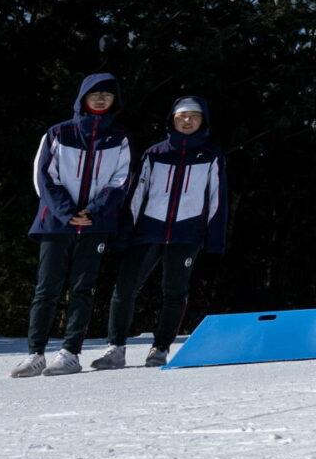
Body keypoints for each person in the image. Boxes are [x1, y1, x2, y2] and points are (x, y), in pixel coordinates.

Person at [96, 97, 227, 369]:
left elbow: (217, 198)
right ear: (172, 119)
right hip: (148, 230)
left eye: (194, 116)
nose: (187, 121)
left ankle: (160, 347)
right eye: (182, 116)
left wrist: (214, 238)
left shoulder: (212, 155)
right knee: (125, 288)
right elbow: (136, 194)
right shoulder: (155, 153)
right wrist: (125, 232)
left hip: (187, 233)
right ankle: (115, 349)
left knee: (175, 292)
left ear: (203, 120)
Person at [16, 73, 132, 377]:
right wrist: (68, 212)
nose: (101, 98)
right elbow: (43, 178)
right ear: (83, 97)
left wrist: (93, 212)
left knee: (83, 289)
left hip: (95, 225)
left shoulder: (118, 138)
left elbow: (120, 181)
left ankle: (70, 352)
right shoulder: (58, 133)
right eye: (95, 93)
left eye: (108, 94)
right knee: (46, 289)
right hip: (56, 223)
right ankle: (35, 353)